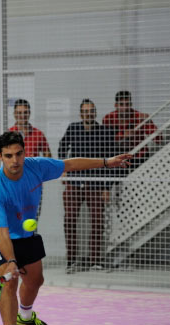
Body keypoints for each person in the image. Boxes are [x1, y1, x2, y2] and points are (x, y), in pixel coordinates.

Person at [0, 131, 131, 325]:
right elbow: (1, 232)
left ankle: (26, 316)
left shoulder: (36, 167)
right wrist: (10, 262)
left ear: (25, 152)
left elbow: (69, 164)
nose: (15, 161)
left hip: (25, 234)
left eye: (19, 154)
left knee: (36, 280)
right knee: (9, 282)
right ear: (0, 156)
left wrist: (106, 162)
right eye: (8, 156)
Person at [58, 99, 117, 273]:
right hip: (74, 182)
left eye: (91, 110)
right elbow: (62, 147)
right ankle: (71, 262)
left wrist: (107, 187)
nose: (88, 114)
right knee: (69, 220)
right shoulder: (73, 128)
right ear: (80, 114)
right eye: (85, 111)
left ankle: (96, 261)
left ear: (95, 112)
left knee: (97, 222)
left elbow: (111, 160)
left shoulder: (105, 132)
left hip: (96, 183)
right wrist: (64, 168)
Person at [102, 90, 163, 166]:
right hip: (118, 158)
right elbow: (106, 142)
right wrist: (123, 135)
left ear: (131, 104)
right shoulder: (109, 118)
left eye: (127, 104)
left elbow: (159, 140)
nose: (125, 108)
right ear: (116, 105)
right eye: (121, 104)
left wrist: (148, 121)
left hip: (139, 157)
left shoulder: (139, 117)